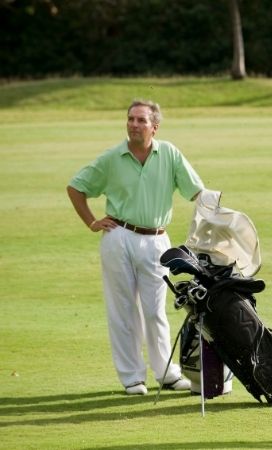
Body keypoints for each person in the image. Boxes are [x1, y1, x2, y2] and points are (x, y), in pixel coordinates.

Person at [67, 100, 203, 396]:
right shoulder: (112, 157)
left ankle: (167, 374)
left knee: (155, 311)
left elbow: (197, 192)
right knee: (123, 310)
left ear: (154, 127)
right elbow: (76, 186)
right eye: (130, 119)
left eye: (141, 120)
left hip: (156, 240)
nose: (134, 124)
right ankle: (132, 378)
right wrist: (91, 221)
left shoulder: (169, 153)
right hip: (119, 236)